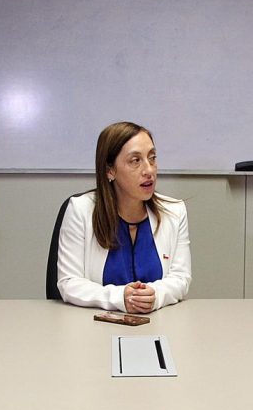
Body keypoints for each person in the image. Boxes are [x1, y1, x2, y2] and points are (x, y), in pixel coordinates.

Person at [56, 121, 191, 313]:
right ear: (110, 170)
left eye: (152, 158)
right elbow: (69, 282)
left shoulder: (175, 211)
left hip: (159, 323)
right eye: (135, 160)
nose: (149, 170)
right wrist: (120, 298)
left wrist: (154, 295)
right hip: (95, 326)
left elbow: (181, 278)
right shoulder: (80, 210)